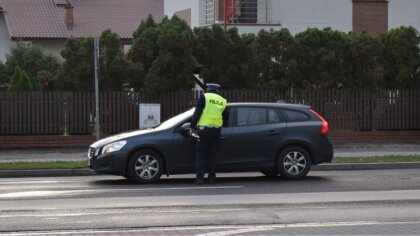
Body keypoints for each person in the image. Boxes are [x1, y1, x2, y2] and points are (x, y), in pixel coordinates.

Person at [190, 83, 227, 184]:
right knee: (213, 154)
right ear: (217, 90)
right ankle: (211, 178)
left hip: (204, 130)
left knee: (200, 154)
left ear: (208, 89)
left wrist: (192, 127)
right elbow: (224, 116)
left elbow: (197, 112)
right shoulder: (222, 100)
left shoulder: (204, 97)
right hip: (216, 130)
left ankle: (200, 178)